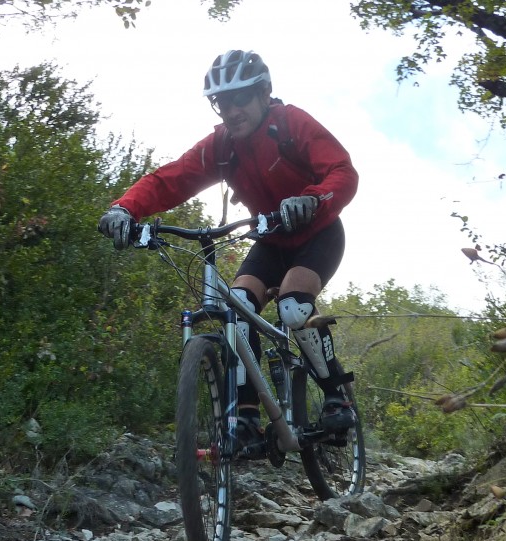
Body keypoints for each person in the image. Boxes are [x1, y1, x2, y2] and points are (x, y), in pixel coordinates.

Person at [99, 49, 359, 447]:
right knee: (236, 307)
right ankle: (248, 416)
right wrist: (124, 208)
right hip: (271, 242)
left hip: (318, 233)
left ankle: (335, 394)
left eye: (240, 98)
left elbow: (342, 170)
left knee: (293, 306)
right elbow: (170, 179)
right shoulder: (223, 146)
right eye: (222, 102)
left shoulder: (291, 124)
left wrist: (313, 198)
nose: (231, 110)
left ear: (262, 93)